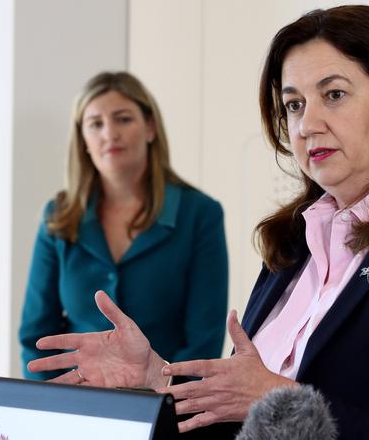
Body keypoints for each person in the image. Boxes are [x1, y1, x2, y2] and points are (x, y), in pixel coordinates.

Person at [28, 6, 369, 439]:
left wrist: (283, 401)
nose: (307, 125)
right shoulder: (292, 243)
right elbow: (232, 412)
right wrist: (157, 379)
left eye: (334, 94)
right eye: (294, 104)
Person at [19, 71, 229, 380]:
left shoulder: (200, 214)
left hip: (165, 407)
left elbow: (203, 340)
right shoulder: (58, 215)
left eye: (123, 119)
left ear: (150, 128)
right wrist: (62, 401)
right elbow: (36, 336)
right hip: (74, 406)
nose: (109, 134)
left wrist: (161, 400)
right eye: (96, 124)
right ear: (84, 141)